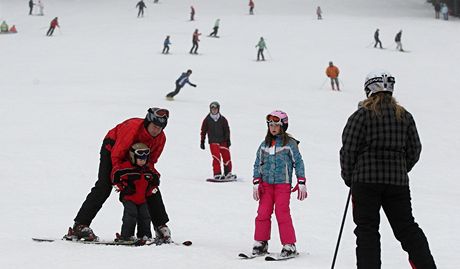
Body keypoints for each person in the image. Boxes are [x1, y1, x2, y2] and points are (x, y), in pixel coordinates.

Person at [340, 70, 437, 269]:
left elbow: (348, 150)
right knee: (407, 228)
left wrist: (350, 177)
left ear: (369, 89)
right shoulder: (405, 116)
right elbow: (415, 149)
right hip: (397, 183)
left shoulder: (360, 116)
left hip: (365, 182)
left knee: (367, 230)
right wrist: (401, 168)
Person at [68, 108, 172, 244]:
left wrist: (150, 178)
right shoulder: (133, 129)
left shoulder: (161, 138)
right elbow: (117, 156)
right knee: (104, 185)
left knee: (149, 185)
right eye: (154, 126)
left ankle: (161, 227)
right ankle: (80, 225)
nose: (156, 130)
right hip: (112, 148)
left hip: (138, 156)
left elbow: (151, 162)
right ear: (148, 122)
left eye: (160, 128)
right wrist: (119, 180)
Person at [251, 110, 307, 258]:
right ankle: (261, 242)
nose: (273, 127)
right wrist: (256, 181)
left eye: (276, 124)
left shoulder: (290, 144)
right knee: (263, 212)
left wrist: (301, 180)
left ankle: (289, 245)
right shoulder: (264, 145)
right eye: (270, 125)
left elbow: (298, 162)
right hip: (266, 185)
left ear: (283, 126)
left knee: (282, 212)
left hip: (283, 184)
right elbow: (258, 163)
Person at [114, 143, 159, 242]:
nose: (143, 161)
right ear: (133, 157)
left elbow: (155, 179)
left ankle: (145, 235)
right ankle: (126, 236)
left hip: (142, 199)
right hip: (129, 198)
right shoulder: (126, 169)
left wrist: (151, 189)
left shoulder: (148, 170)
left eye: (144, 159)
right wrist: (122, 187)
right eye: (140, 159)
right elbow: (115, 176)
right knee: (131, 214)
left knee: (145, 216)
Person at [200, 101, 234, 180]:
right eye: (212, 109)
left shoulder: (222, 119)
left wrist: (228, 140)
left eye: (215, 109)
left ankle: (228, 172)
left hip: (223, 141)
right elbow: (203, 131)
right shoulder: (207, 120)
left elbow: (227, 130)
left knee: (227, 157)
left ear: (218, 109)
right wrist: (202, 141)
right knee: (216, 157)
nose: (214, 110)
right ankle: (217, 173)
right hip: (213, 141)